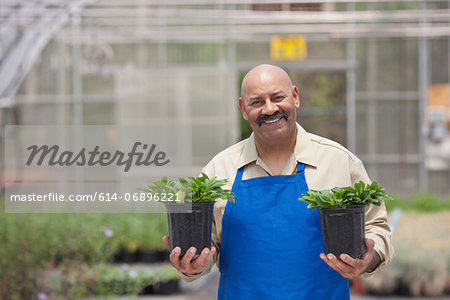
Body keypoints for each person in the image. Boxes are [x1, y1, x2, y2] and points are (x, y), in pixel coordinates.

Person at [163, 64, 394, 299]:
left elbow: (376, 227)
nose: (270, 109)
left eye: (277, 97)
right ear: (243, 108)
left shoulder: (338, 162)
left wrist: (368, 259)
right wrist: (191, 265)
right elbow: (205, 245)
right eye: (257, 102)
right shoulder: (219, 169)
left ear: (295, 97)